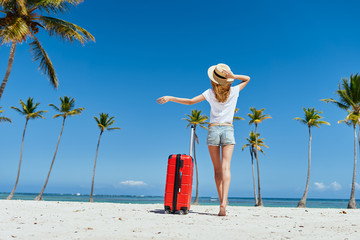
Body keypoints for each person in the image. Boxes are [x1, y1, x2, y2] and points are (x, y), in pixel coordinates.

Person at [157, 63, 250, 216]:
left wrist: (170, 98)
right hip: (228, 129)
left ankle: (221, 201)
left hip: (213, 129)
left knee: (217, 169)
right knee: (226, 168)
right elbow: (247, 79)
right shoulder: (234, 91)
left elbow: (190, 101)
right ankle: (223, 203)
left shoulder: (210, 92)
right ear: (227, 79)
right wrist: (233, 76)